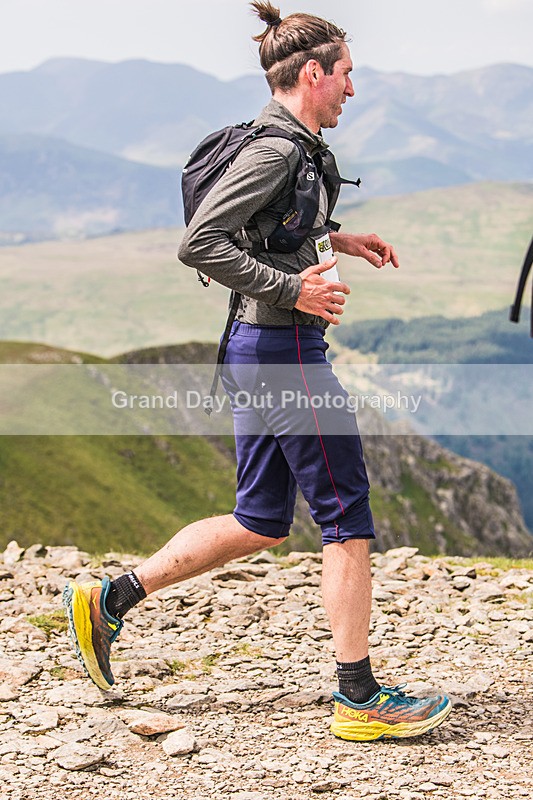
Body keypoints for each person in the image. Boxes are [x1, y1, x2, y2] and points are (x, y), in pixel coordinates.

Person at [63, 1, 452, 741]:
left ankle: (108, 598)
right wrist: (294, 287)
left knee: (260, 520)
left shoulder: (286, 146)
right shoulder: (276, 149)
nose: (351, 90)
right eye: (346, 76)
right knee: (346, 522)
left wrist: (340, 237)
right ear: (313, 73)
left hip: (257, 352)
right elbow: (201, 241)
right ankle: (359, 699)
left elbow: (269, 222)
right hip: (285, 355)